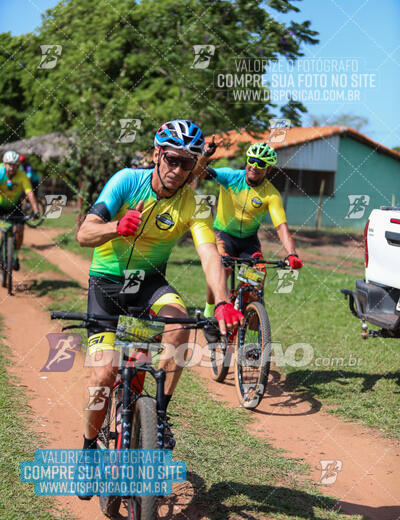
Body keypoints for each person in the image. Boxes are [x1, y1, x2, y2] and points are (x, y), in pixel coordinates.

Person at [76, 119, 243, 500]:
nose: (177, 170)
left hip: (150, 284)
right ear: (157, 155)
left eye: (187, 163)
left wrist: (220, 301)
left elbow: (208, 253)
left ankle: (159, 415)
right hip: (107, 283)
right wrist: (116, 227)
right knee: (103, 374)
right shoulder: (126, 181)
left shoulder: (194, 203)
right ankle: (87, 452)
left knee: (180, 324)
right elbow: (84, 233)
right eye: (171, 159)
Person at [197, 140, 303, 317]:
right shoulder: (231, 177)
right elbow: (199, 172)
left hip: (249, 242)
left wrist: (291, 253)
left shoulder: (271, 194)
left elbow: (281, 227)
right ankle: (209, 310)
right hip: (223, 235)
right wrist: (205, 155)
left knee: (256, 285)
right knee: (222, 268)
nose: (254, 166)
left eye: (261, 164)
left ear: (269, 169)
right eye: (251, 160)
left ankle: (244, 311)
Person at [0, 151, 40, 270]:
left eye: (15, 165)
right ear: (4, 164)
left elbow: (29, 193)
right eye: (9, 164)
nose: (12, 167)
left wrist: (36, 210)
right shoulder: (0, 172)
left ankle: (15, 255)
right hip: (0, 205)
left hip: (15, 206)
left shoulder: (22, 175)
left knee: (20, 231)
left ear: (18, 165)